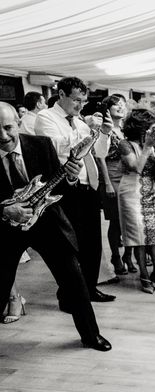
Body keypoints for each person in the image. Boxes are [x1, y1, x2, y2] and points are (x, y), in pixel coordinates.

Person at [0, 102, 111, 351]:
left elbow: (58, 187)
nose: (3, 136)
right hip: (7, 230)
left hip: (48, 224)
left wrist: (70, 176)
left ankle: (91, 336)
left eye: (8, 128)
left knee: (75, 282)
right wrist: (5, 210)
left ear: (18, 123)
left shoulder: (40, 145)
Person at [34, 76, 115, 307]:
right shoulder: (45, 117)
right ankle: (68, 297)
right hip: (64, 188)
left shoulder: (80, 121)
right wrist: (87, 130)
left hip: (88, 186)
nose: (80, 105)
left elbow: (97, 152)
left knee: (92, 243)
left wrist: (105, 133)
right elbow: (55, 145)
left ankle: (89, 289)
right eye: (76, 100)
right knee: (71, 245)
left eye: (83, 101)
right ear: (61, 95)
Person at [117, 109, 155, 294]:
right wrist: (147, 147)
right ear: (140, 127)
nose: (153, 128)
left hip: (151, 190)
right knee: (138, 236)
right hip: (131, 192)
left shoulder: (153, 142)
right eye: (150, 125)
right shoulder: (125, 144)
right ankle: (144, 275)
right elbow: (136, 167)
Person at [94, 95, 135, 275]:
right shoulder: (105, 129)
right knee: (116, 221)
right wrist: (108, 183)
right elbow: (100, 156)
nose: (120, 107)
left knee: (131, 218)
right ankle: (116, 257)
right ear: (107, 109)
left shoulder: (127, 129)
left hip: (129, 174)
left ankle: (128, 255)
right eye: (115, 104)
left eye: (122, 104)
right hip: (111, 173)